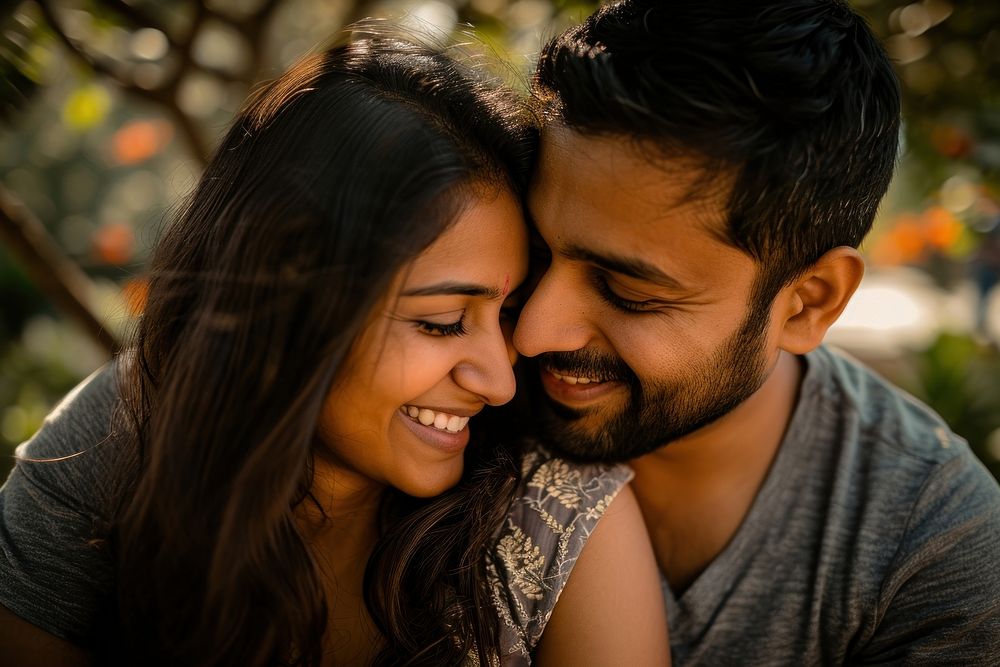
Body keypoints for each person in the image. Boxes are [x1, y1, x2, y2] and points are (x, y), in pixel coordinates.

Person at [0, 36, 668, 666]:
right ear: (285, 306)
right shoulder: (110, 444)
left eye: (507, 312)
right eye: (440, 321)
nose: (500, 380)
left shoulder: (557, 518)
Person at [511, 0, 1000, 664]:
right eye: (533, 254)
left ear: (807, 304)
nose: (530, 332)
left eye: (628, 292)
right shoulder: (451, 401)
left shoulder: (931, 547)